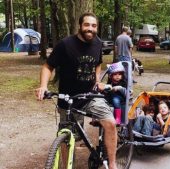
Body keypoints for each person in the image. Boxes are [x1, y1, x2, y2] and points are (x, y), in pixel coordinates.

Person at [35, 12, 118, 169]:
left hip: (90, 96)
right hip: (68, 99)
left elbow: (98, 63)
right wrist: (43, 86)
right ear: (80, 26)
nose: (90, 29)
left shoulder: (98, 43)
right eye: (87, 25)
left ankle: (112, 165)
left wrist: (97, 81)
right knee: (68, 138)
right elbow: (48, 66)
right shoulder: (65, 44)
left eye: (94, 26)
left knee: (111, 123)